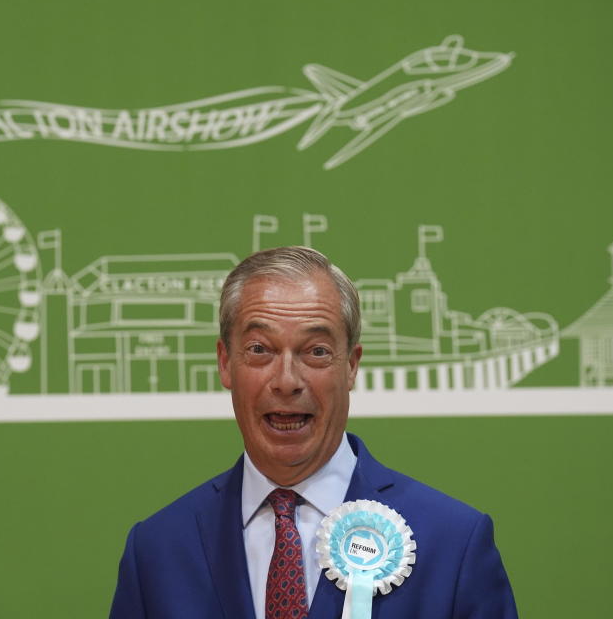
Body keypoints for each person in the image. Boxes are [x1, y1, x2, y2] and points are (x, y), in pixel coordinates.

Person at [110, 246, 517, 619]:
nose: (287, 381)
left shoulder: (453, 544)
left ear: (352, 366)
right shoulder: (156, 550)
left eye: (316, 351)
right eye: (260, 349)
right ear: (224, 362)